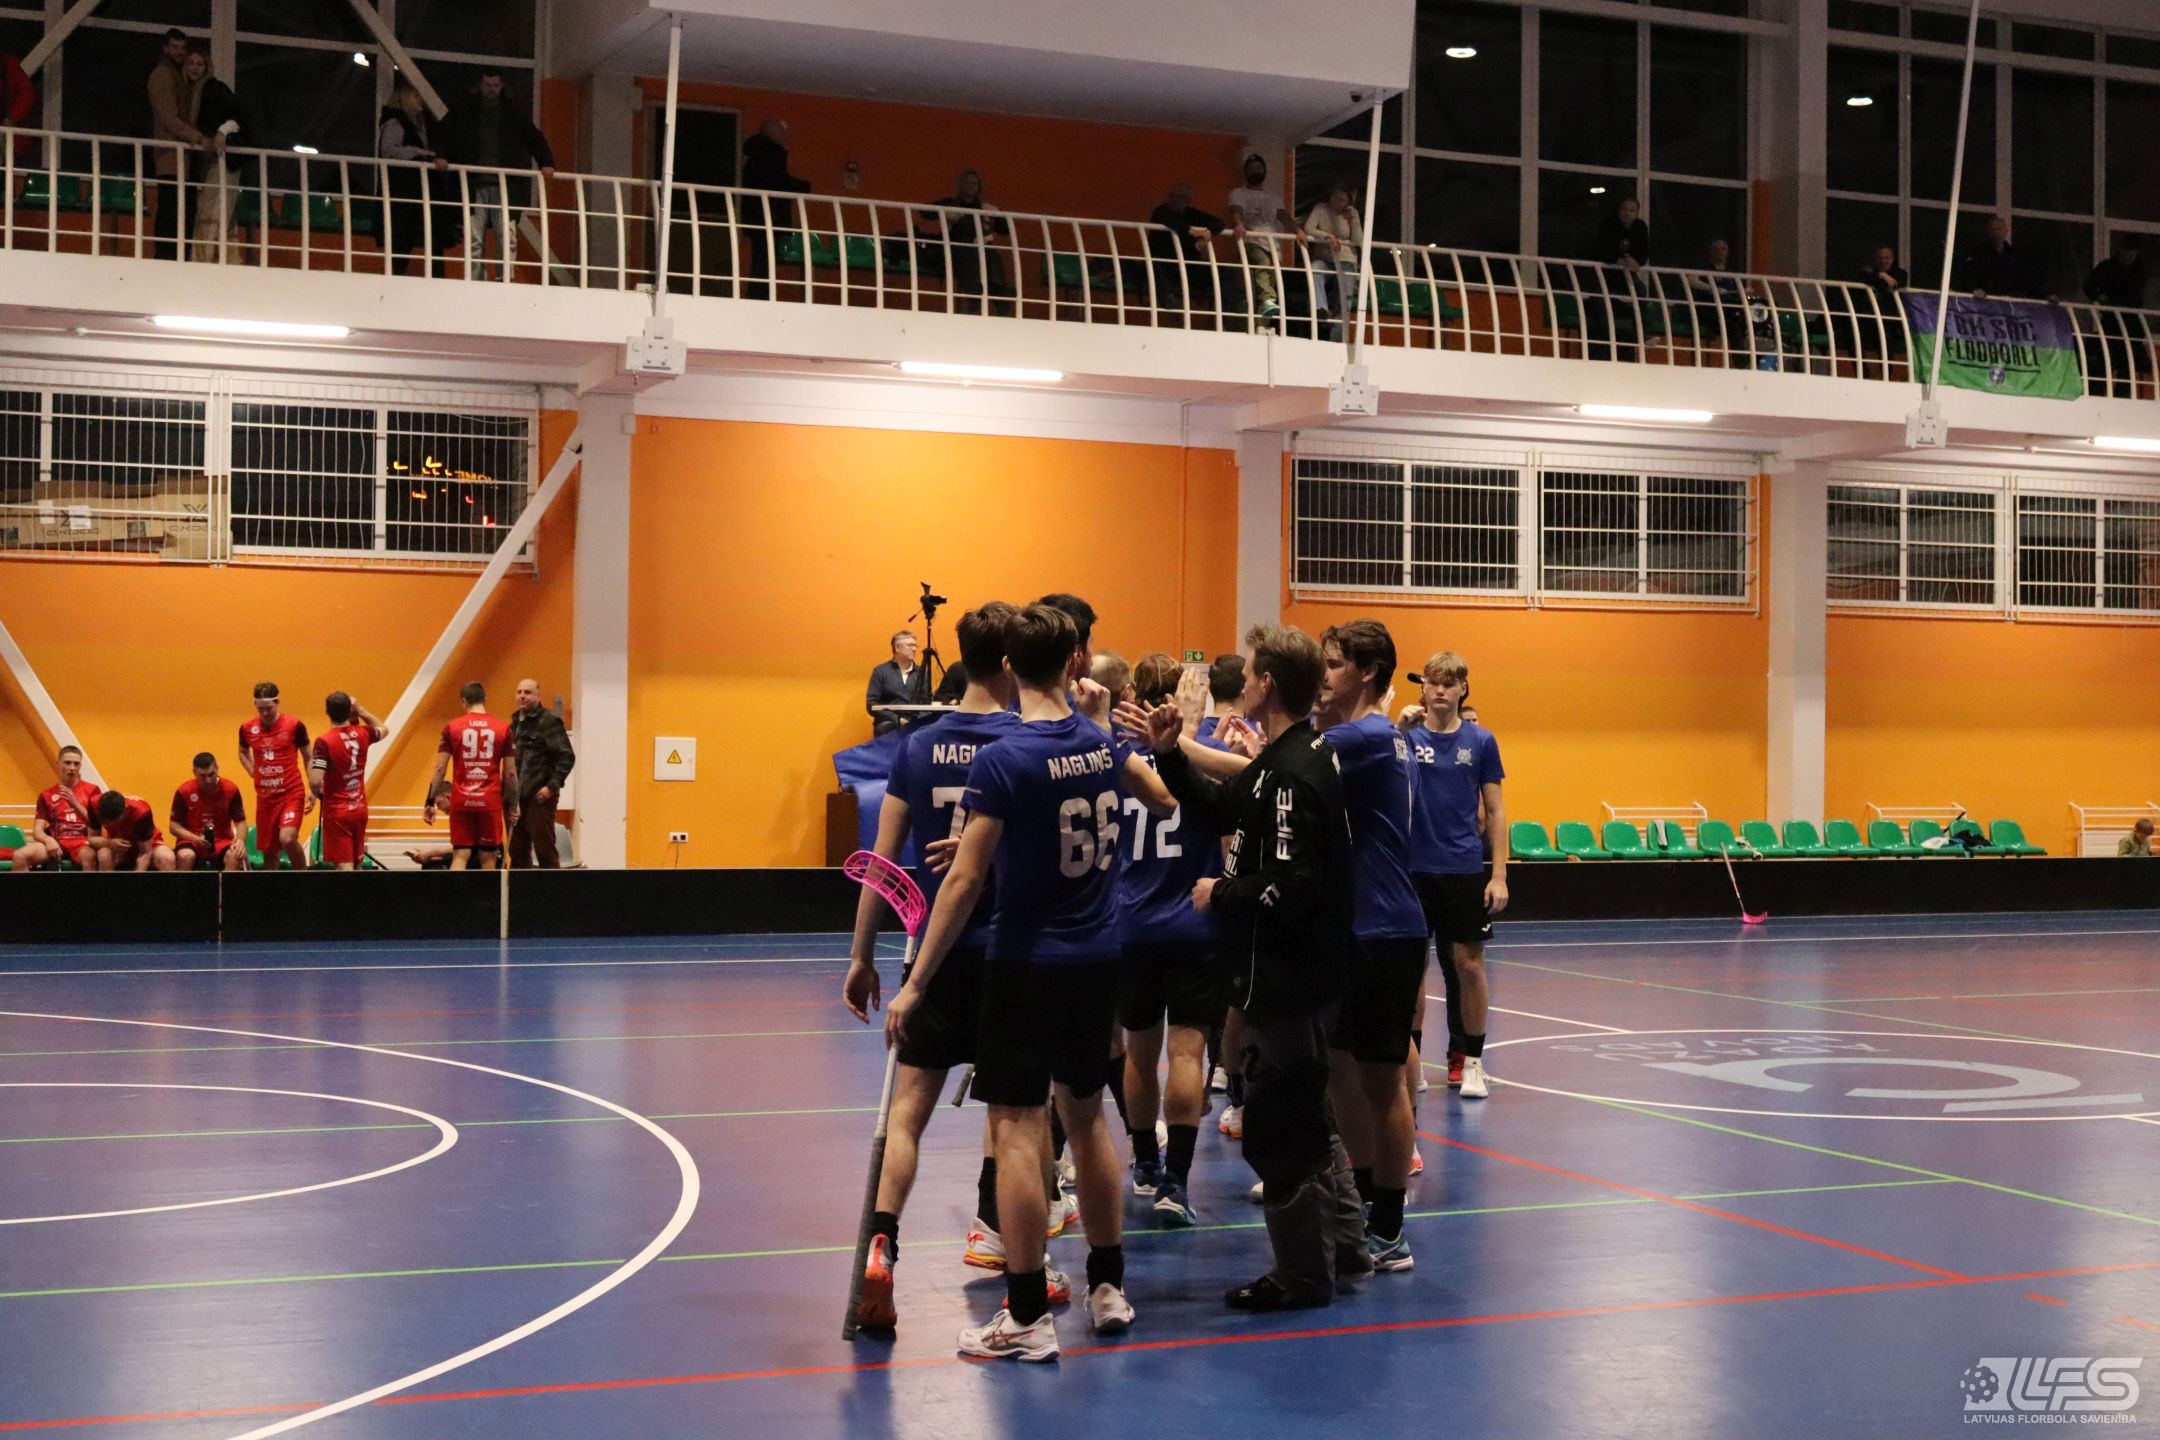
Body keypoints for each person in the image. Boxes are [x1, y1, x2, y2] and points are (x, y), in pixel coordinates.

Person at [884, 603, 1135, 1361]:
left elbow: (963, 881)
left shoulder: (1006, 759)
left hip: (1027, 964)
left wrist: (917, 982)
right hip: (1099, 957)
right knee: (1088, 1118)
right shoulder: (1099, 743)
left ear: (1003, 665)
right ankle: (1108, 1286)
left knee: (1018, 1128)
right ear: (1073, 662)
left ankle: (1025, 1314)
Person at [1121, 623, 1366, 1312]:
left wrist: (1220, 893)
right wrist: (1169, 755)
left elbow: (1295, 884)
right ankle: (1347, 1246)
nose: (1241, 682)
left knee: (1280, 1128)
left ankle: (1303, 1274)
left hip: (1288, 978)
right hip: (1290, 973)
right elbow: (1221, 807)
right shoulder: (1285, 757)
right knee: (1310, 1118)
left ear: (1268, 684)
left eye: (1251, 671)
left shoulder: (1293, 771)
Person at [842, 601, 1046, 1332]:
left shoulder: (918, 746)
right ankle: (1016, 1260)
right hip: (1011, 954)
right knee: (1017, 1122)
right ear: (1011, 662)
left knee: (907, 1114)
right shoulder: (1026, 742)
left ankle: (883, 1243)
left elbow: (880, 863)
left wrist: (861, 956)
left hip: (933, 951)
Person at [1113, 652, 1225, 1228]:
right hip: (1193, 921)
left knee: (1139, 1052)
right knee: (1187, 1052)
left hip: (1133, 921)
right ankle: (1176, 1182)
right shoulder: (1202, 759)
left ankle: (1144, 1162)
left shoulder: (1120, 759)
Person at [1399, 651, 1509, 1098]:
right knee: (1411, 969)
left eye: (1449, 683)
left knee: (1468, 966)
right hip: (1411, 869)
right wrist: (1398, 731)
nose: (1440, 690)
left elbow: (1496, 811)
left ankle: (1474, 1063)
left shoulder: (1481, 741)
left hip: (1462, 868)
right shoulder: (1405, 737)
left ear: (1463, 688)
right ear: (1423, 689)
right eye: (1433, 682)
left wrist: (1498, 875)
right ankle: (1411, 1066)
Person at [438, 69, 555, 282]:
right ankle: (479, 281)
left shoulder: (512, 113)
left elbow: (534, 138)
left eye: (495, 85)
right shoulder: (465, 111)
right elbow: (445, 133)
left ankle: (503, 280)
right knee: (475, 238)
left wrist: (546, 162)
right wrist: (441, 155)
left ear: (501, 87)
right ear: (481, 86)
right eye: (488, 85)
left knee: (505, 237)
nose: (491, 89)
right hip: (477, 183)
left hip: (502, 185)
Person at [426, 682, 516, 870]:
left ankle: (457, 891)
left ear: (464, 701)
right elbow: (510, 773)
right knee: (489, 858)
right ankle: (487, 892)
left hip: (462, 801)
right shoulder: (503, 729)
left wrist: (430, 801)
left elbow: (440, 768)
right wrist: (513, 805)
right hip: (489, 802)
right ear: (485, 699)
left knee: (460, 856)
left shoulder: (452, 727)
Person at [378, 74, 458, 277]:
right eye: (416, 96)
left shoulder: (421, 124)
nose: (420, 100)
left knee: (425, 235)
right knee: (404, 237)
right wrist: (417, 152)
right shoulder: (396, 123)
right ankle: (402, 277)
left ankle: (429, 277)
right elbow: (388, 151)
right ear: (404, 97)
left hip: (416, 191)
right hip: (405, 191)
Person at [146, 28, 206, 262]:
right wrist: (198, 137)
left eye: (183, 48)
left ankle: (178, 257)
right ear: (165, 48)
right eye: (175, 47)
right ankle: (167, 258)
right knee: (171, 210)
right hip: (171, 156)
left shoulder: (178, 77)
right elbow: (169, 118)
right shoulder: (162, 76)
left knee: (185, 210)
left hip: (183, 157)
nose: (180, 52)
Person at [239, 681, 312, 872]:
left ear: (277, 702)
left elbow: (308, 756)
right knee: (269, 853)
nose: (264, 713)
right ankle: (271, 887)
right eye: (260, 708)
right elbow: (242, 752)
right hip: (266, 798)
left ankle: (305, 878)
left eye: (268, 708)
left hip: (291, 793)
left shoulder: (294, 725)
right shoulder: (247, 728)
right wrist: (253, 772)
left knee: (287, 838)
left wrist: (313, 786)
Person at [311, 692, 385, 871]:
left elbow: (315, 781)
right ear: (349, 711)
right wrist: (361, 711)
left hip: (337, 811)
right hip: (359, 808)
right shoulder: (363, 733)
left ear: (327, 712)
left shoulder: (324, 742)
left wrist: (319, 793)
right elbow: (383, 728)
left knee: (344, 865)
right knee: (357, 863)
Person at [182, 49, 244, 264]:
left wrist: (222, 132)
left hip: (224, 161)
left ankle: (201, 262)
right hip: (213, 162)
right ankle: (231, 261)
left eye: (199, 63)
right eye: (191, 63)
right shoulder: (194, 93)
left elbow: (239, 116)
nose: (195, 67)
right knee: (223, 216)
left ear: (207, 67)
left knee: (211, 214)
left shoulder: (213, 89)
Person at [739, 118, 810, 300]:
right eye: (781, 133)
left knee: (762, 262)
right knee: (764, 263)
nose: (784, 137)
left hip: (758, 217)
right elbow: (777, 182)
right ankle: (760, 299)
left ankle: (759, 298)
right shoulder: (770, 154)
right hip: (768, 217)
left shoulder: (756, 155)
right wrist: (802, 187)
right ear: (773, 134)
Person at [508, 679, 574, 868]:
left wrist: (551, 787)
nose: (522, 696)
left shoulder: (549, 721)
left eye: (527, 692)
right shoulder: (514, 723)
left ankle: (550, 886)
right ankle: (521, 886)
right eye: (519, 692)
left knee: (544, 849)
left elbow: (566, 756)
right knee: (517, 850)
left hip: (539, 797)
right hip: (515, 798)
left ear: (537, 696)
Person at [924, 169, 1012, 311]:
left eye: (974, 182)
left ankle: (999, 296)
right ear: (960, 186)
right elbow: (925, 212)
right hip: (957, 250)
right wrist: (946, 211)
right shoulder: (951, 204)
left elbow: (1006, 229)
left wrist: (994, 219)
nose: (971, 185)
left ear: (979, 186)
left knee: (993, 255)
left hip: (984, 250)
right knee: (969, 253)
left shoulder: (987, 208)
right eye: (967, 182)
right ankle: (975, 297)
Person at [9, 745, 101, 872]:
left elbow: (97, 824)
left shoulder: (92, 790)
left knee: (89, 856)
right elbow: (37, 830)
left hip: (82, 843)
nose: (72, 768)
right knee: (19, 856)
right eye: (67, 763)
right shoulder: (46, 794)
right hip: (56, 841)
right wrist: (48, 840)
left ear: (80, 766)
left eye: (76, 764)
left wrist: (75, 804)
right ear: (58, 764)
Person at [1228, 153, 1294, 331]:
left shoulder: (1273, 196)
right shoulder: (1238, 193)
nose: (1255, 170)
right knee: (1261, 265)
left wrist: (1298, 231)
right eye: (1251, 168)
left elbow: (1283, 215)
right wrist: (1239, 224)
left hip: (1273, 246)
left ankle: (1262, 326)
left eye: (1258, 167)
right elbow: (1236, 210)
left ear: (1264, 170)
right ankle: (1266, 299)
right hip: (1252, 241)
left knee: (1269, 280)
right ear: (1246, 172)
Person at [1148, 181, 1232, 318]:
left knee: (1225, 272)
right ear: (1170, 197)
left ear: (1188, 200)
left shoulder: (1191, 214)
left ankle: (1231, 307)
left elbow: (1219, 223)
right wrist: (1192, 231)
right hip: (1166, 264)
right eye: (1176, 196)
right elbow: (1171, 222)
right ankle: (1169, 300)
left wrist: (1207, 233)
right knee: (1155, 266)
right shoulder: (1161, 211)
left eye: (1184, 198)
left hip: (1189, 265)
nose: (1179, 200)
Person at [1585, 195, 1650, 361]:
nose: (1627, 213)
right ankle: (1605, 340)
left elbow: (1643, 254)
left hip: (1626, 277)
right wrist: (1619, 259)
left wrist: (1634, 261)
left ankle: (1641, 333)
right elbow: (1600, 250)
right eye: (1624, 209)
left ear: (1637, 213)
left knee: (1641, 290)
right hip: (1605, 276)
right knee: (1601, 301)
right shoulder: (1609, 225)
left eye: (1632, 210)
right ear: (1619, 211)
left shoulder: (1640, 227)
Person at [2083, 236, 2149, 398]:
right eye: (2125, 253)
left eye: (2131, 254)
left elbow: (2137, 296)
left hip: (2132, 325)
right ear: (2119, 251)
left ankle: (2123, 397)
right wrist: (2099, 296)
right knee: (2104, 361)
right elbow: (2089, 285)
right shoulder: (2107, 267)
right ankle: (2098, 395)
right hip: (2111, 323)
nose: (2127, 257)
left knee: (2128, 365)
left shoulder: (2140, 272)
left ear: (2137, 254)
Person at [1302, 183, 1364, 341]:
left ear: (1348, 201)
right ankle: (1320, 308)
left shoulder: (1351, 214)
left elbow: (1357, 240)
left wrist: (1354, 220)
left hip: (1346, 259)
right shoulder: (1320, 209)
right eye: (1335, 197)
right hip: (1324, 257)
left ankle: (1336, 340)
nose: (1337, 201)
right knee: (1315, 270)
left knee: (1344, 300)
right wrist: (1327, 236)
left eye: (1342, 199)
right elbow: (1309, 228)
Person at [169, 752, 246, 872]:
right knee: (184, 856)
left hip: (222, 840)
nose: (208, 780)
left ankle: (226, 884)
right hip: (192, 839)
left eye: (211, 774)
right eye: (202, 776)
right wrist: (196, 838)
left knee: (234, 856)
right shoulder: (184, 791)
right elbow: (173, 827)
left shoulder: (230, 789)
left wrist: (240, 840)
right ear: (194, 772)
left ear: (217, 768)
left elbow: (240, 822)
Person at [1689, 237, 1749, 364]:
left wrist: (1744, 291)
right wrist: (1712, 288)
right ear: (1712, 251)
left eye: (1724, 249)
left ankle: (1752, 358)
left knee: (1748, 322)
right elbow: (1691, 280)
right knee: (1733, 328)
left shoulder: (1730, 272)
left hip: (1730, 310)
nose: (1721, 252)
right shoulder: (1704, 267)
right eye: (1718, 249)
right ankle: (1741, 363)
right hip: (1711, 311)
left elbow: (1735, 292)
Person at [1953, 215, 2038, 300]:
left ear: (2006, 230)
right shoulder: (1978, 254)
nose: (1995, 232)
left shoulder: (2015, 256)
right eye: (1992, 230)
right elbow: (1967, 279)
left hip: (2009, 303)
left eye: (1999, 229)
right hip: (1984, 302)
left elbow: (2027, 282)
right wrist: (1974, 289)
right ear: (1987, 232)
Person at [866, 629, 930, 736]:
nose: (914, 649)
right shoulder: (881, 672)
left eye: (915, 645)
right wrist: (896, 718)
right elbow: (871, 704)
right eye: (909, 645)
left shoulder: (922, 673)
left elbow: (927, 702)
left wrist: (916, 720)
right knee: (887, 728)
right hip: (889, 723)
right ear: (897, 648)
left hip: (916, 723)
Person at [93, 790, 174, 872]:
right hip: (118, 846)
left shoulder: (141, 812)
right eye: (106, 822)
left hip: (148, 845)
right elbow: (91, 839)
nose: (110, 825)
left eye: (115, 821)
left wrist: (135, 878)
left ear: (124, 811)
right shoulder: (94, 804)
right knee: (104, 855)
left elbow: (145, 853)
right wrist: (109, 843)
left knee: (167, 858)